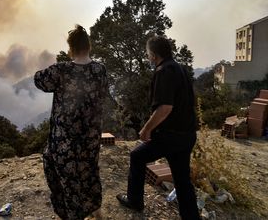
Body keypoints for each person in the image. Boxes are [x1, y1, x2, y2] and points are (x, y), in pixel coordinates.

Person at [116, 35, 201, 220]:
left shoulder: (163, 71)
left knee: (137, 156)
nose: (147, 57)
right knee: (182, 180)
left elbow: (165, 108)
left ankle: (135, 201)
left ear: (154, 55)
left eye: (148, 54)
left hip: (170, 137)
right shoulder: (181, 69)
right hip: (187, 135)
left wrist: (146, 129)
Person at [34, 25, 108, 220]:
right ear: (89, 46)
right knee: (90, 171)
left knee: (66, 177)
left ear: (71, 48)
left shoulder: (61, 70)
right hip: (91, 137)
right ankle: (94, 209)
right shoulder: (100, 70)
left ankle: (73, 215)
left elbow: (38, 80)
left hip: (65, 140)